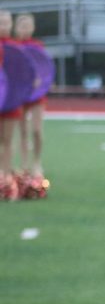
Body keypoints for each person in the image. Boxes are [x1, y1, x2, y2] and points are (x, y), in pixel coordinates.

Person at [13, 13, 49, 198]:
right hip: (20, 94)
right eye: (22, 26)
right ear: (16, 28)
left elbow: (45, 69)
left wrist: (39, 81)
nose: (25, 29)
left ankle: (37, 162)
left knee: (36, 130)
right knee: (22, 131)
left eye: (28, 25)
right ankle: (24, 165)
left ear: (33, 28)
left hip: (36, 95)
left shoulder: (38, 46)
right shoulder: (12, 47)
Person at [0, 10, 21, 200]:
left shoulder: (15, 48)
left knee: (7, 140)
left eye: (7, 23)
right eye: (1, 23)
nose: (4, 26)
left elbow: (25, 74)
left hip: (11, 101)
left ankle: (6, 179)